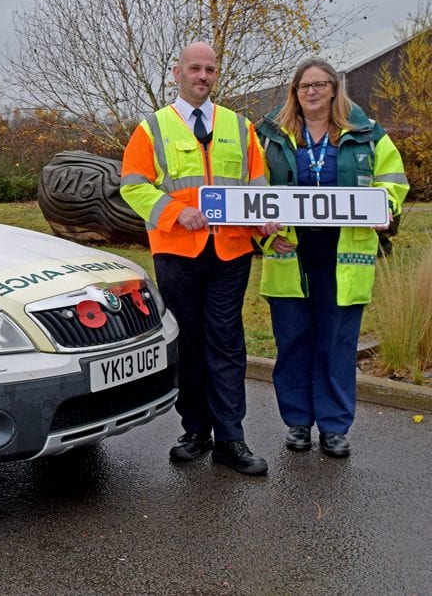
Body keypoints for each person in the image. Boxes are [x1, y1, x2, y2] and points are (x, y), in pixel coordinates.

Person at [120, 41, 277, 476]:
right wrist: (174, 212)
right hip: (177, 251)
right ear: (177, 73)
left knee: (227, 342)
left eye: (209, 69)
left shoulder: (240, 127)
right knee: (188, 343)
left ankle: (231, 438)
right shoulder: (152, 129)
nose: (202, 76)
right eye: (195, 68)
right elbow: (133, 185)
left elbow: (258, 186)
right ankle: (195, 431)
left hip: (230, 251)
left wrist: (264, 218)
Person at [256, 58, 408, 458]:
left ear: (334, 89)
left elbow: (392, 181)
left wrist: (385, 209)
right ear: (294, 92)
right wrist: (264, 230)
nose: (311, 92)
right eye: (304, 86)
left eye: (320, 84)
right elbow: (250, 190)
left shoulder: (366, 135)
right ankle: (298, 424)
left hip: (344, 258)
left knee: (337, 343)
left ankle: (335, 426)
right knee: (292, 342)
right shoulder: (270, 137)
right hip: (290, 255)